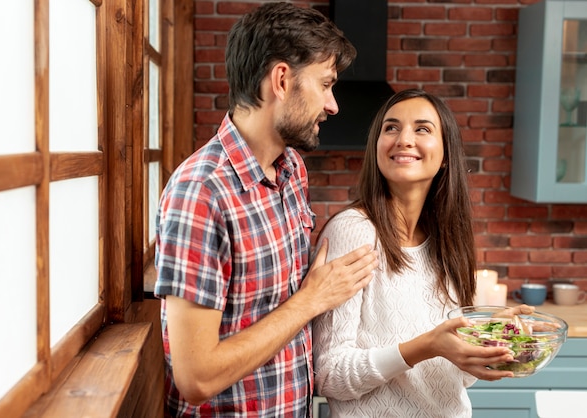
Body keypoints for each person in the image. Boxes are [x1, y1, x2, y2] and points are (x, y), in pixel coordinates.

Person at [153, 2, 379, 416]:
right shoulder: (201, 194)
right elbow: (195, 378)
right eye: (326, 84)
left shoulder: (291, 169)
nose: (333, 105)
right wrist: (311, 301)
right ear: (281, 79)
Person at [312, 89, 535, 417]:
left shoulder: (449, 240)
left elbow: (455, 379)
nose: (403, 139)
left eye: (422, 129)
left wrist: (486, 337)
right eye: (391, 128)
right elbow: (329, 376)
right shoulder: (355, 231)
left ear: (446, 155)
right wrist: (427, 345)